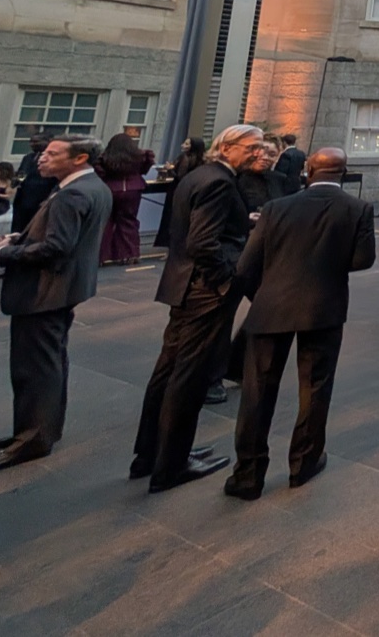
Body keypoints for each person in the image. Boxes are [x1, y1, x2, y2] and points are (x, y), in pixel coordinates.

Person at [224, 147, 376, 499]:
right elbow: (363, 259)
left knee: (257, 392)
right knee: (316, 387)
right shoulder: (357, 209)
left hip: (272, 305)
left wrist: (264, 293)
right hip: (324, 307)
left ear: (309, 170)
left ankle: (248, 474)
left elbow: (246, 265)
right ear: (344, 172)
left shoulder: (276, 208)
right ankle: (304, 462)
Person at [131, 124, 266, 491]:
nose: (260, 152)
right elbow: (203, 243)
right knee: (187, 378)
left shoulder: (201, 176)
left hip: (183, 285)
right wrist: (227, 280)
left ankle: (150, 454)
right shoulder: (219, 182)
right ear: (227, 146)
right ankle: (171, 464)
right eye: (253, 147)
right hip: (204, 291)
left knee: (168, 370)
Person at [0, 135, 111, 469]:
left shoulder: (73, 193)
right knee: (51, 362)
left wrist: (6, 252)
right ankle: (38, 431)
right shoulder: (91, 186)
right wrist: (22, 238)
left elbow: (57, 247)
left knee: (35, 369)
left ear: (80, 158)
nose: (41, 158)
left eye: (52, 153)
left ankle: (32, 439)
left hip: (44, 293)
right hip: (64, 289)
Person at [97, 132, 155, 265]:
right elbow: (145, 168)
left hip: (111, 189)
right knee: (129, 221)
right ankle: (130, 254)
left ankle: (102, 255)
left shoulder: (105, 157)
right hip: (133, 189)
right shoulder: (139, 157)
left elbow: (100, 172)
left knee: (106, 222)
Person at [154, 136, 205, 248]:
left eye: (187, 144)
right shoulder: (201, 160)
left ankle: (171, 247)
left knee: (172, 219)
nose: (183, 145)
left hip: (177, 191)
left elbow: (180, 176)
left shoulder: (185, 158)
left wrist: (170, 169)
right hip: (191, 192)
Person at [12, 133, 58, 235]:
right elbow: (21, 173)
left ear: (47, 142)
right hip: (22, 200)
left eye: (36, 141)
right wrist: (16, 181)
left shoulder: (53, 159)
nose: (32, 144)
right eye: (31, 142)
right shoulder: (27, 158)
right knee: (17, 230)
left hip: (40, 199)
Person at [238, 138, 290, 214]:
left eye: (272, 154)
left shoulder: (280, 179)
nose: (265, 158)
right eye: (260, 153)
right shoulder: (237, 177)